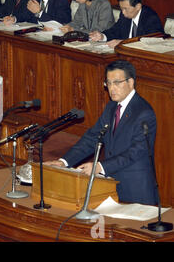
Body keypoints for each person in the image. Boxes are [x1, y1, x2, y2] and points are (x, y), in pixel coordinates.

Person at [46, 60, 158, 205]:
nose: (112, 88)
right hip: (110, 185)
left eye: (117, 83)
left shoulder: (143, 112)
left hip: (135, 189)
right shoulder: (111, 107)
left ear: (130, 82)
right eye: (108, 83)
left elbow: (136, 152)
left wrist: (100, 167)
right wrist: (63, 162)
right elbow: (92, 138)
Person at [90, 0, 164, 48]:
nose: (123, 12)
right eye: (121, 8)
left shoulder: (150, 18)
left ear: (138, 6)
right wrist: (102, 36)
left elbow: (150, 42)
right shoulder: (125, 16)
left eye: (126, 9)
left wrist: (123, 43)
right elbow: (115, 30)